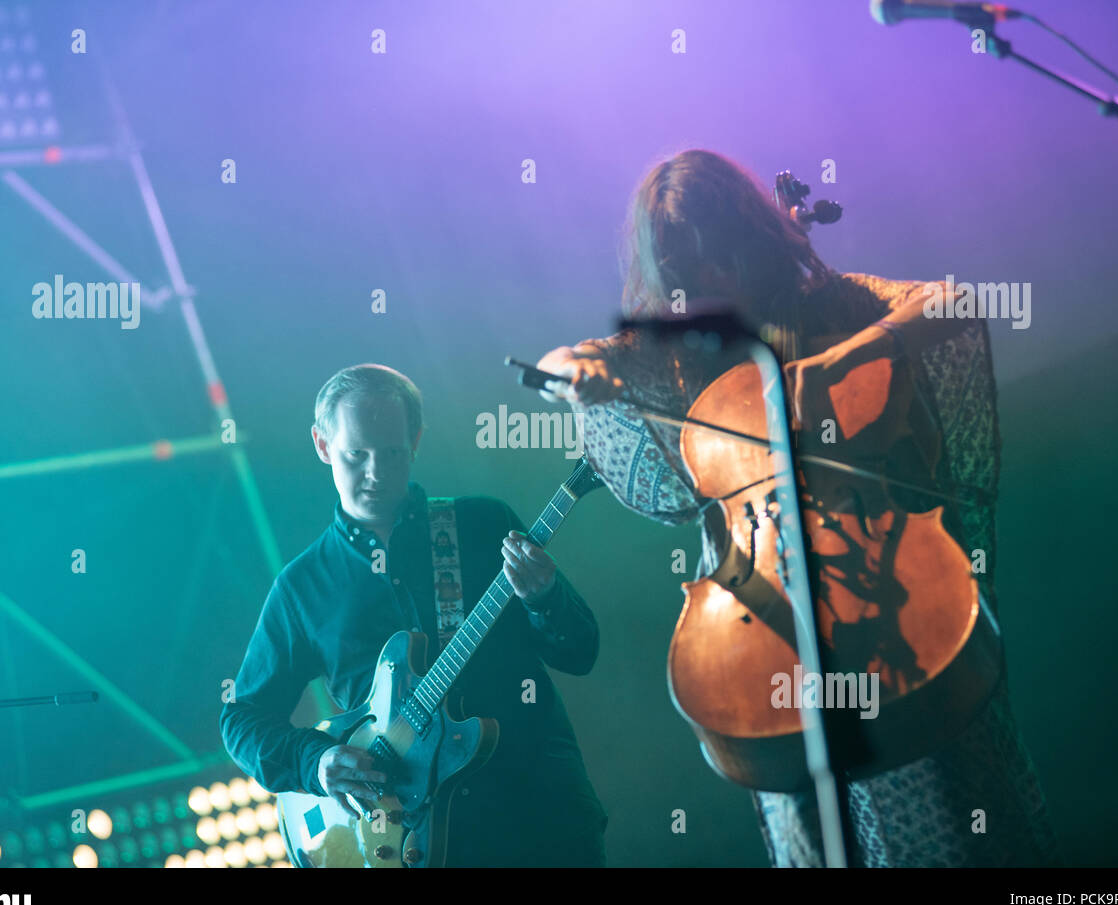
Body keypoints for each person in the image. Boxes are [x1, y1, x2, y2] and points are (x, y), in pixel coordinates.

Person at [536, 148, 1060, 866]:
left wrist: (848, 358)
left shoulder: (838, 305)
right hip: (765, 626)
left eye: (718, 254)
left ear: (749, 235)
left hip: (887, 598)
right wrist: (579, 373)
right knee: (808, 827)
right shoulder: (675, 353)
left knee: (954, 821)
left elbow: (953, 301)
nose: (708, 282)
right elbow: (567, 358)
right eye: (684, 271)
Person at [220, 364, 607, 867]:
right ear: (322, 446)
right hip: (412, 843)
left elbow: (581, 652)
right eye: (356, 455)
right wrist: (315, 762)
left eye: (393, 453)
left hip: (537, 820)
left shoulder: (482, 524)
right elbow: (242, 717)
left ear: (417, 441)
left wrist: (545, 596)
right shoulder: (301, 586)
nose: (376, 473)